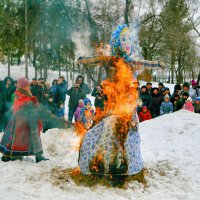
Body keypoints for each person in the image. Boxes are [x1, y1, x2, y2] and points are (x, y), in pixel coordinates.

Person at [77, 24, 164, 183]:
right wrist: (83, 60)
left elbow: (146, 63)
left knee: (127, 136)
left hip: (127, 107)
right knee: (99, 133)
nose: (127, 42)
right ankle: (100, 166)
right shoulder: (109, 61)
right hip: (111, 106)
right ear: (117, 42)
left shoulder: (131, 63)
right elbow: (94, 60)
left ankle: (128, 169)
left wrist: (157, 63)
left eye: (129, 39)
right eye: (123, 39)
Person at [0, 78, 48, 162]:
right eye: (27, 85)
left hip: (25, 118)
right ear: (23, 86)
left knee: (21, 138)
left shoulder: (23, 93)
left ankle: (37, 156)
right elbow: (21, 104)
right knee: (20, 138)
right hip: (22, 119)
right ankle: (10, 155)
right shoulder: (20, 93)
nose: (28, 87)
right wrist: (32, 102)